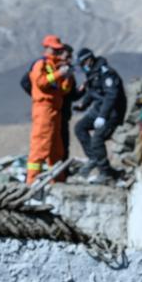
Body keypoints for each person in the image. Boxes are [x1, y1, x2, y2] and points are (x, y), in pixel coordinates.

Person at [74, 49, 127, 184]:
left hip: (111, 112)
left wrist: (103, 116)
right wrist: (83, 105)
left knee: (97, 139)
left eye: (83, 63)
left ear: (89, 59)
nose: (82, 67)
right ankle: (94, 159)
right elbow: (92, 92)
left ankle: (105, 174)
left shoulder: (107, 73)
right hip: (98, 110)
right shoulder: (92, 74)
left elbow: (111, 96)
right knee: (79, 128)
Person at [26, 35, 74, 184]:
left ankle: (57, 180)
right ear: (47, 48)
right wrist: (59, 73)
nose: (57, 52)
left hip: (55, 110)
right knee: (40, 145)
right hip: (43, 109)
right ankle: (32, 180)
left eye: (58, 50)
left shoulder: (55, 66)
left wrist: (68, 77)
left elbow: (63, 90)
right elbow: (41, 82)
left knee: (56, 148)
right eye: (55, 49)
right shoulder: (41, 64)